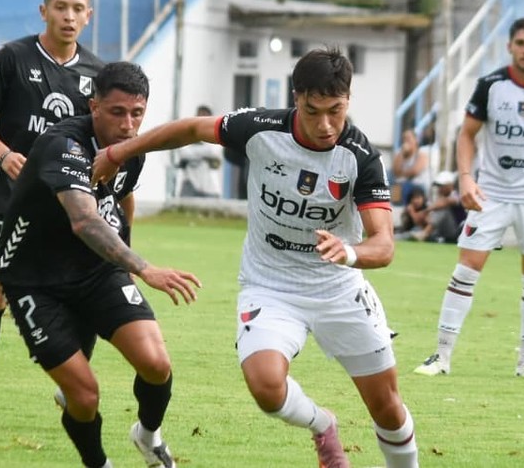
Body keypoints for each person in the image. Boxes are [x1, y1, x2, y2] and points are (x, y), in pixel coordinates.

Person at [91, 48, 419, 468]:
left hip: (338, 290)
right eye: (313, 111)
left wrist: (350, 252)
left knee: (387, 407)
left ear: (348, 100)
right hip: (270, 286)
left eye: (335, 111)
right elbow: (190, 129)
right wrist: (119, 153)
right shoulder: (261, 129)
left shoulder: (360, 157)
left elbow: (384, 245)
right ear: (296, 98)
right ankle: (323, 425)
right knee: (266, 388)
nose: (325, 125)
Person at [0, 61, 200, 468]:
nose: (128, 125)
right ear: (94, 106)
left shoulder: (131, 150)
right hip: (34, 280)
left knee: (156, 364)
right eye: (117, 112)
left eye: (137, 114)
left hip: (96, 271)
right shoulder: (64, 145)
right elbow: (85, 220)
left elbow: (123, 197)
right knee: (85, 396)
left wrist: (123, 255)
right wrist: (143, 268)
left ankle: (148, 436)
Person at [0, 0, 107, 430]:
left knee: (87, 290)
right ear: (44, 11)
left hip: (68, 205)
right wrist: (3, 155)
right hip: (11, 200)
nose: (69, 16)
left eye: (77, 9)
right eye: (61, 7)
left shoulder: (98, 75)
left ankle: (71, 383)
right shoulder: (12, 58)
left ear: (88, 15)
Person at [414, 16, 524, 381]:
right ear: (510, 47)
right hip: (492, 191)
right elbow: (466, 134)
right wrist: (466, 179)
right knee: (466, 268)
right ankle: (441, 356)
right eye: (521, 43)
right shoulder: (490, 86)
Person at [175, 105, 223, 198]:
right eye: (199, 117)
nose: (201, 121)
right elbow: (184, 153)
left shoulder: (215, 136)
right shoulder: (187, 135)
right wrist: (205, 154)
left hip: (210, 187)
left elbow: (214, 151)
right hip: (190, 185)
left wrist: (194, 152)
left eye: (205, 117)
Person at [416, 170, 467, 243]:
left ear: (450, 185)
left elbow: (446, 202)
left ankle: (425, 233)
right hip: (443, 229)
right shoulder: (440, 198)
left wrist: (425, 211)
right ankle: (424, 234)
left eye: (441, 186)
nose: (439, 189)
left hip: (457, 230)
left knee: (443, 210)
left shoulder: (456, 195)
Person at [392, 128, 429, 206]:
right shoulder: (400, 154)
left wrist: (402, 173)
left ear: (415, 140)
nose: (406, 141)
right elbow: (395, 172)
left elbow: (415, 171)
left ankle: (403, 207)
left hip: (418, 185)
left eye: (408, 138)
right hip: (402, 184)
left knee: (404, 186)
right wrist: (402, 153)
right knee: (395, 184)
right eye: (404, 139)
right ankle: (395, 207)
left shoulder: (421, 154)